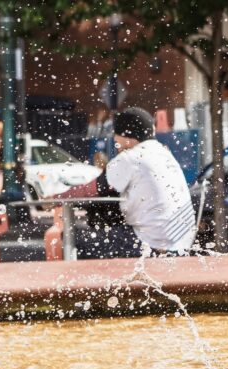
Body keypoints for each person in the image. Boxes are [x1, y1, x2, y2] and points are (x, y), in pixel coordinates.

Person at [54, 107, 195, 258]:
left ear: (128, 135)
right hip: (182, 243)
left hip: (150, 243)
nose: (115, 140)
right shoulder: (164, 154)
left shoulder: (131, 157)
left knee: (76, 240)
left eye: (117, 134)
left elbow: (93, 189)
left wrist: (55, 198)